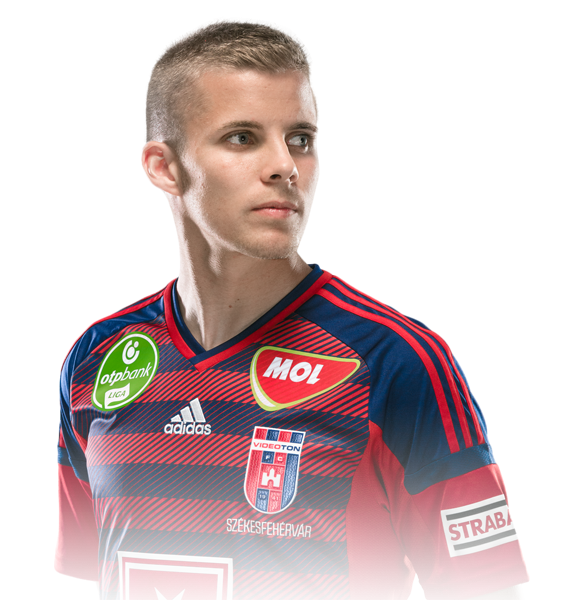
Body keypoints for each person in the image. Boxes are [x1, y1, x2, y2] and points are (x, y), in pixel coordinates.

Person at [55, 23, 531, 600]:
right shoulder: (99, 358)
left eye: (300, 139)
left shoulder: (393, 362)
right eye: (242, 137)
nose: (284, 165)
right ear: (165, 167)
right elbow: (85, 577)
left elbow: (483, 591)